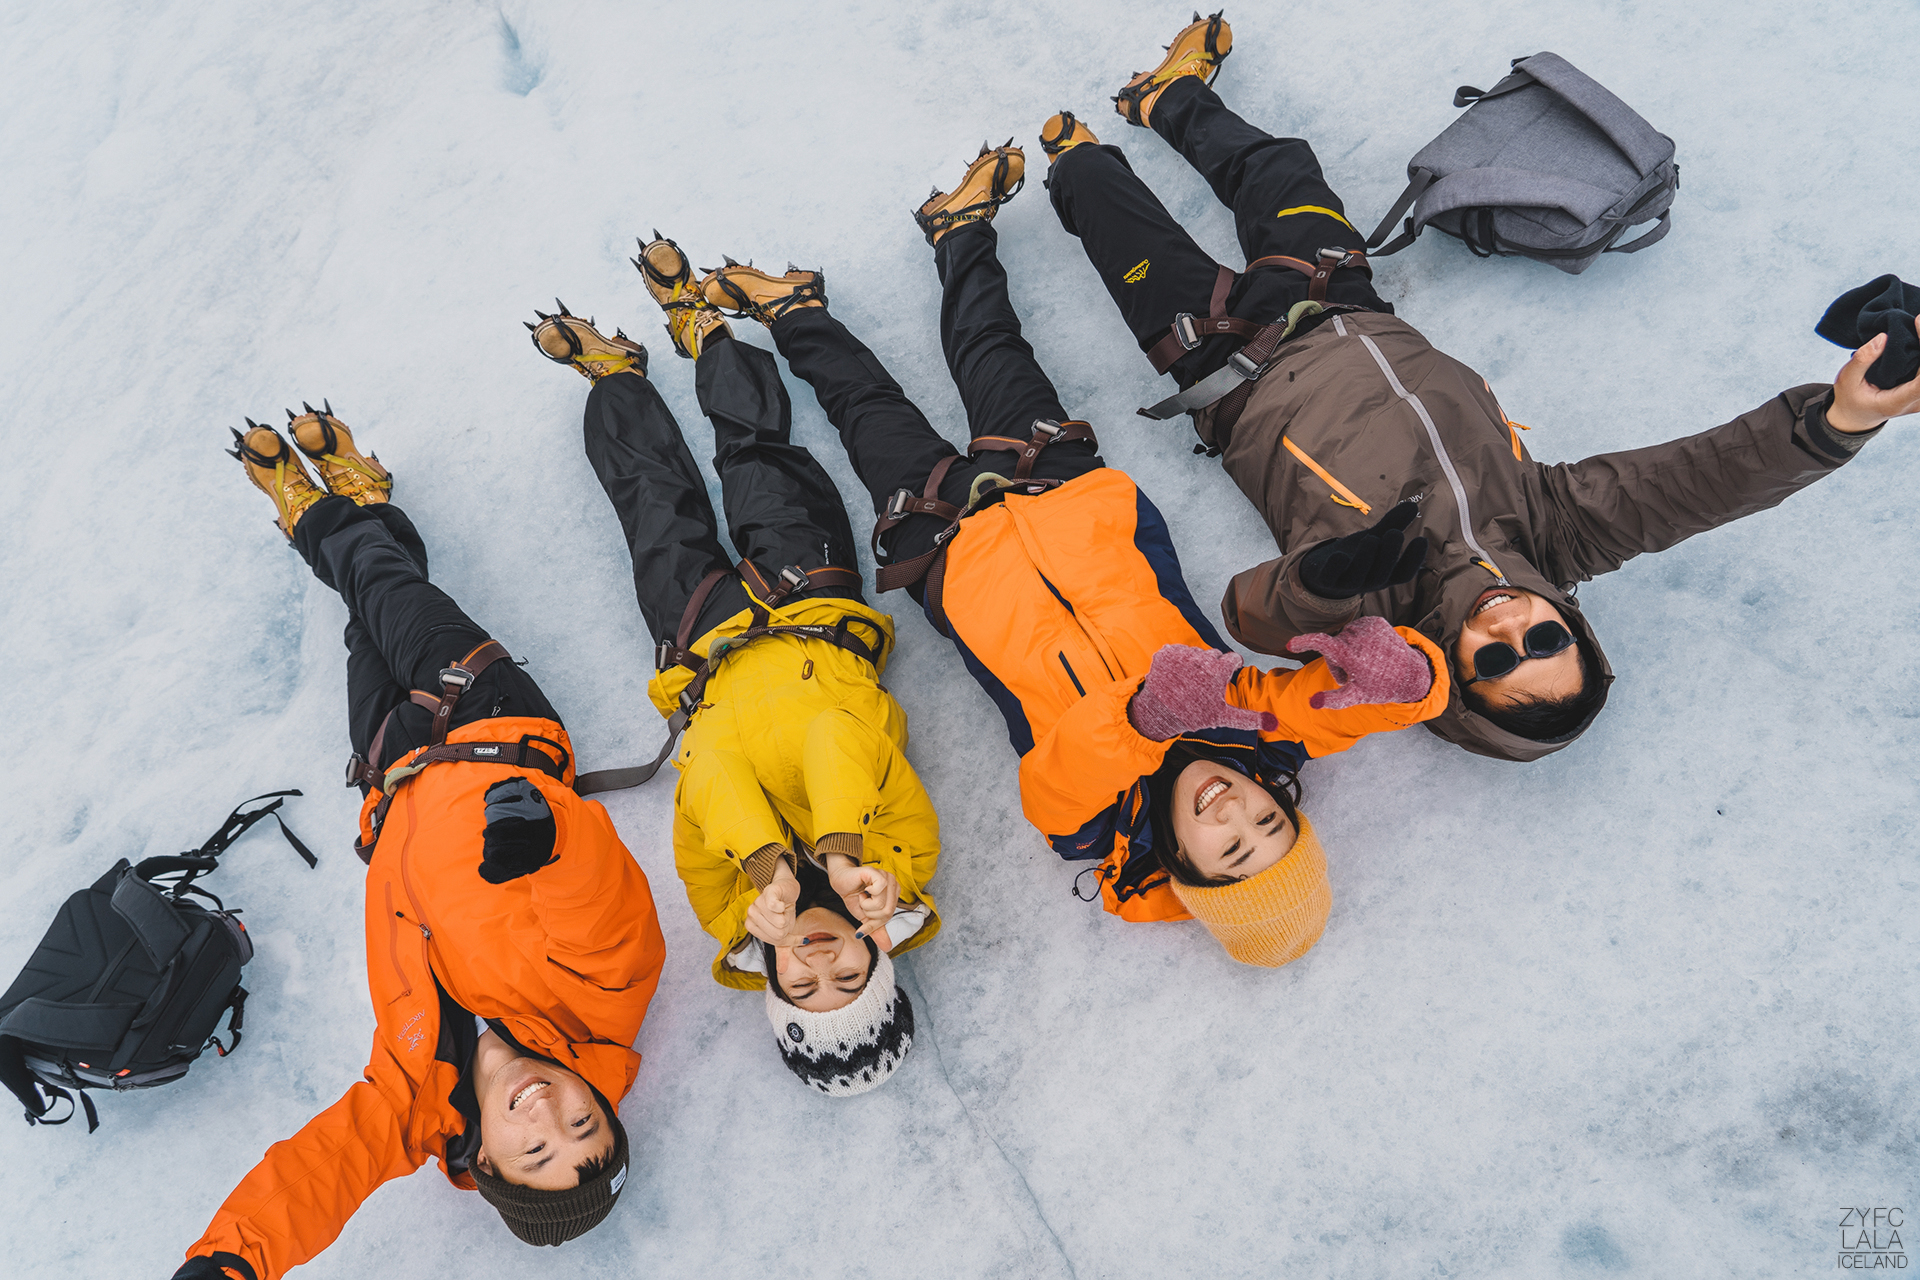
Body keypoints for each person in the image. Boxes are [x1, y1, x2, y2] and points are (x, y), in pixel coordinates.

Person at [1039, 11, 1920, 762]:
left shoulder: (1376, 609)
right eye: (1546, 641)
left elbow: (1251, 614)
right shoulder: (1557, 531)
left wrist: (1322, 582)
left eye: (1496, 664)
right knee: (1278, 169)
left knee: (1104, 201)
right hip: (1344, 297)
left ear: (1459, 676)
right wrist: (1839, 420)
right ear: (1570, 622)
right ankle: (1166, 97)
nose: (1511, 631)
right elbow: (1696, 484)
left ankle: (1074, 157)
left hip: (1225, 360)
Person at [674, 143, 1452, 969]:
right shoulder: (1258, 730)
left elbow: (1066, 763)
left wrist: (1147, 716)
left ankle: (796, 313)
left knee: (868, 414)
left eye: (1228, 851)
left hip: (949, 555)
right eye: (1269, 823)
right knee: (992, 352)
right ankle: (959, 232)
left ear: (1184, 868)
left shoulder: (1088, 826)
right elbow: (1322, 710)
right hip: (1071, 501)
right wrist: (1414, 683)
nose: (1236, 814)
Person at [176, 409, 666, 1279]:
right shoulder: (602, 1009)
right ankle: (316, 515)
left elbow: (324, 1172)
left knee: (365, 622)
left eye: (536, 1152)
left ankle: (365, 507)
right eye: (584, 1124)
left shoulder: (412, 1099)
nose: (550, 1116)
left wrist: (231, 1262)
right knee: (371, 578)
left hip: (391, 775)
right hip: (489, 721)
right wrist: (546, 842)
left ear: (487, 1163)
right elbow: (605, 916)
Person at [524, 238, 939, 1097]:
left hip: (703, 653)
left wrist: (763, 867)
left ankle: (614, 378)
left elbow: (705, 770)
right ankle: (706, 329)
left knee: (654, 508)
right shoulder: (903, 862)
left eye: (802, 990)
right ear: (878, 955)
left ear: (774, 985)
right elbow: (837, 734)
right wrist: (841, 850)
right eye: (849, 983)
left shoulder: (726, 909)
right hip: (812, 615)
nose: (819, 968)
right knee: (758, 457)